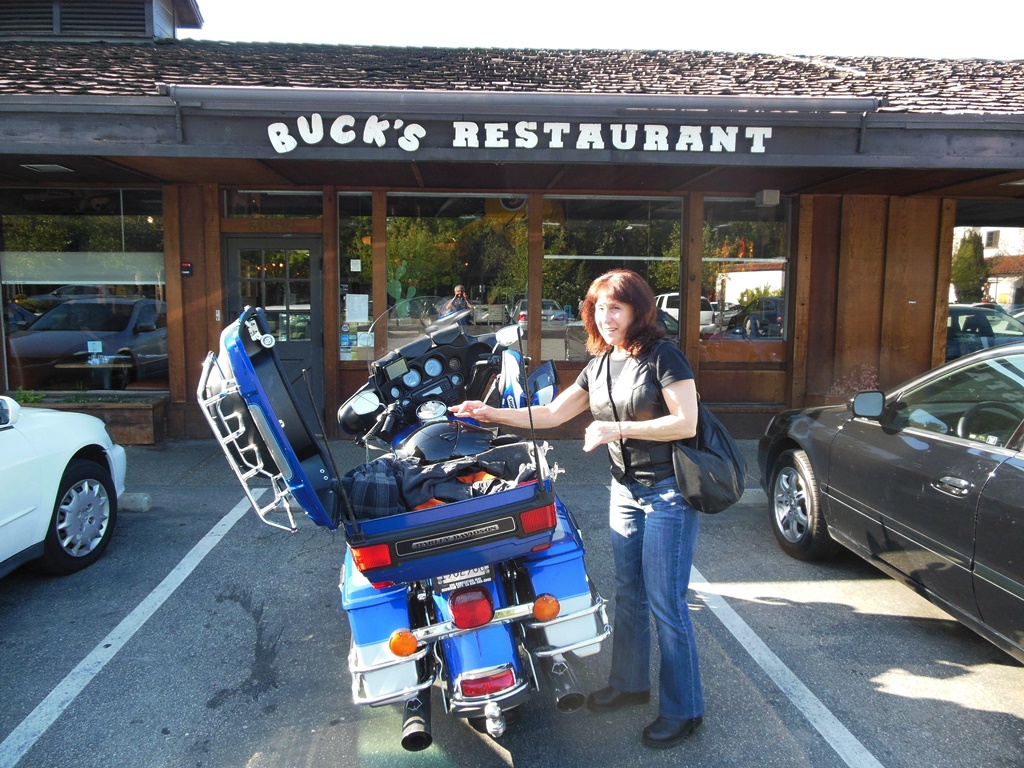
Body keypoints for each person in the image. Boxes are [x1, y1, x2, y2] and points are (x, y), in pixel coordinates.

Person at [449, 269, 704, 750]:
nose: (607, 317)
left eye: (616, 308)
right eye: (599, 308)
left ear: (638, 311)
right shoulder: (602, 363)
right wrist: (488, 413)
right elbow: (551, 414)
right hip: (625, 490)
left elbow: (685, 422)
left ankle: (684, 708)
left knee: (667, 602)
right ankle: (629, 684)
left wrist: (617, 430)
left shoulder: (662, 356)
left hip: (667, 492)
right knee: (629, 591)